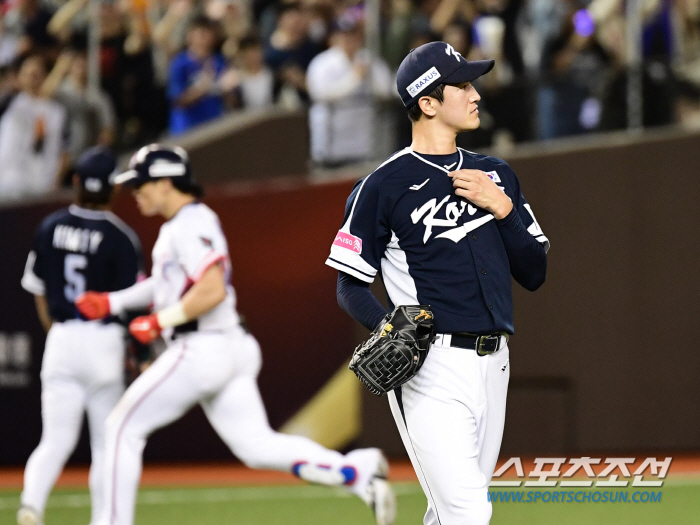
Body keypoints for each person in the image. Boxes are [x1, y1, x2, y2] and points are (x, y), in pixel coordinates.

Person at [75, 144, 397, 525]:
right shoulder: (184, 223)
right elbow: (165, 285)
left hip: (202, 347)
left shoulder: (191, 222)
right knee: (256, 446)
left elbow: (211, 290)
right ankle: (355, 472)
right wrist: (112, 303)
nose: (136, 192)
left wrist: (160, 322)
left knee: (120, 427)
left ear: (164, 182)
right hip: (226, 344)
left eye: (141, 183)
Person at [325, 42, 549, 525]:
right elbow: (349, 286)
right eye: (462, 85)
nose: (475, 94)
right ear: (427, 102)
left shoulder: (496, 174)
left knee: (449, 514)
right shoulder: (382, 186)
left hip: (495, 363)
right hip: (431, 366)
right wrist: (389, 327)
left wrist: (502, 207)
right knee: (469, 513)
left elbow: (534, 272)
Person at [17, 146, 144, 525]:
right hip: (103, 342)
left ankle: (31, 506)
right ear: (113, 189)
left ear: (75, 181)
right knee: (106, 446)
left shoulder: (50, 225)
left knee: (53, 441)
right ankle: (104, 519)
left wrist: (55, 329)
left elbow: (36, 285)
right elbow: (131, 304)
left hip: (62, 339)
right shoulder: (122, 237)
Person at [306, 7, 393, 166]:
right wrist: (354, 78)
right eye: (343, 35)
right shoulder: (322, 63)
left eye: (352, 34)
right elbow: (319, 93)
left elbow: (385, 91)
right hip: (331, 147)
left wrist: (369, 75)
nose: (348, 39)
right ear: (334, 37)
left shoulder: (368, 59)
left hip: (365, 144)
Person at [0, 54, 68, 200]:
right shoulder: (9, 103)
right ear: (19, 77)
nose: (32, 79)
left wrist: (57, 180)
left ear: (44, 77)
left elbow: (64, 150)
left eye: (36, 74)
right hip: (9, 183)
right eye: (28, 74)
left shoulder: (56, 111)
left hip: (43, 185)